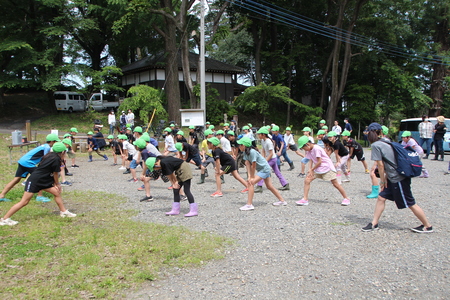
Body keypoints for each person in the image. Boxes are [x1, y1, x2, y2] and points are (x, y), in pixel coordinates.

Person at [362, 123, 433, 233]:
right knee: (381, 197)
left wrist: (382, 180)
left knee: (410, 202)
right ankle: (374, 223)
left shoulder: (376, 145)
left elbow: (380, 165)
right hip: (393, 176)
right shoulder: (387, 140)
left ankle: (427, 226)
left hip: (397, 178)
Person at [0, 142, 76, 226]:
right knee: (24, 202)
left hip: (43, 180)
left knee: (56, 193)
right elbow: (55, 174)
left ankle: (63, 212)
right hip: (35, 181)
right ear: (62, 152)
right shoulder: (55, 159)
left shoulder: (50, 155)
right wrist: (57, 184)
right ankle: (4, 219)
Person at [0, 133, 60, 202]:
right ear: (52, 141)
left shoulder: (43, 146)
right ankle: (39, 196)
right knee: (39, 177)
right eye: (56, 141)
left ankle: (1, 195)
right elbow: (45, 160)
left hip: (22, 161)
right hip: (28, 163)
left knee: (16, 179)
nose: (56, 143)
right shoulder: (47, 147)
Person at [296, 135, 351, 206]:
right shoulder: (310, 150)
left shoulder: (316, 148)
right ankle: (305, 199)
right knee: (307, 180)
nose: (304, 149)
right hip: (318, 168)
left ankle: (346, 198)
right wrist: (310, 169)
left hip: (327, 167)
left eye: (303, 148)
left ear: (308, 144)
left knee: (335, 184)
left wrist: (312, 169)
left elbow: (319, 161)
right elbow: (311, 160)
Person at [237, 137, 287, 211]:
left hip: (265, 169)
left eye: (240, 145)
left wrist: (252, 177)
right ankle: (282, 201)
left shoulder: (252, 152)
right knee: (269, 186)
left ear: (244, 145)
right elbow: (247, 164)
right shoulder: (245, 152)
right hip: (263, 169)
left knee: (251, 183)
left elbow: (253, 165)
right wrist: (249, 176)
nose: (238, 146)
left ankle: (249, 204)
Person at [254, 127, 289, 192]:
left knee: (263, 170)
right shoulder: (262, 141)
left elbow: (271, 153)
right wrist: (262, 158)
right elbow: (263, 150)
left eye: (259, 134)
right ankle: (285, 184)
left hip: (272, 158)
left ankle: (259, 186)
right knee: (277, 172)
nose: (258, 136)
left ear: (264, 134)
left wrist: (265, 161)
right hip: (269, 158)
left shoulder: (268, 142)